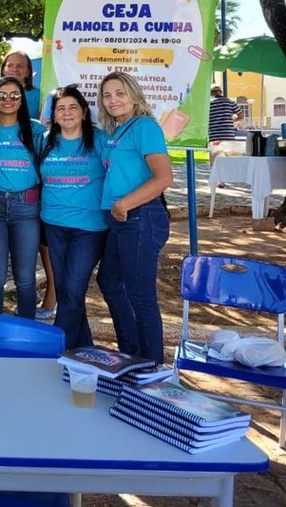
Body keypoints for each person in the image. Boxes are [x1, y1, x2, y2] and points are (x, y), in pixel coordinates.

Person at [96, 72, 173, 364]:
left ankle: (152, 364)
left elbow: (164, 177)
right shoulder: (117, 131)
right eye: (107, 95)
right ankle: (131, 351)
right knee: (109, 281)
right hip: (120, 219)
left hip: (140, 216)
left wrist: (124, 203)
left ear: (133, 95)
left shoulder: (145, 127)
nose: (113, 100)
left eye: (119, 93)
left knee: (140, 294)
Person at [38, 86, 108, 350]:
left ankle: (57, 348)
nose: (66, 113)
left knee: (73, 289)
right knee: (67, 290)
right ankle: (84, 348)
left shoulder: (100, 140)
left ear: (83, 112)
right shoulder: (44, 140)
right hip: (54, 225)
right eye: (60, 108)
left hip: (89, 228)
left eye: (72, 107)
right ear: (53, 115)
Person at [0, 76, 45, 319]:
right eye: (2, 95)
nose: (8, 100)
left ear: (22, 99)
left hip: (26, 207)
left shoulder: (36, 130)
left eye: (15, 95)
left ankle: (26, 332)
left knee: (25, 278)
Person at [1, 50, 55, 317]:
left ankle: (32, 314)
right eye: (9, 65)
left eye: (19, 66)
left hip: (29, 197)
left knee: (28, 266)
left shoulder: (37, 115)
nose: (13, 68)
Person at [208, 84, 244, 169]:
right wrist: (232, 120)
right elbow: (241, 115)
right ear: (221, 93)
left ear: (211, 93)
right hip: (228, 134)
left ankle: (219, 180)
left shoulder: (209, 103)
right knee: (228, 158)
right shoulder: (230, 102)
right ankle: (228, 176)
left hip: (214, 135)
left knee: (215, 159)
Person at [0, 50, 41, 117]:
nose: (15, 69)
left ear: (28, 72)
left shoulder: (39, 96)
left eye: (21, 66)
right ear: (3, 70)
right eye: (10, 65)